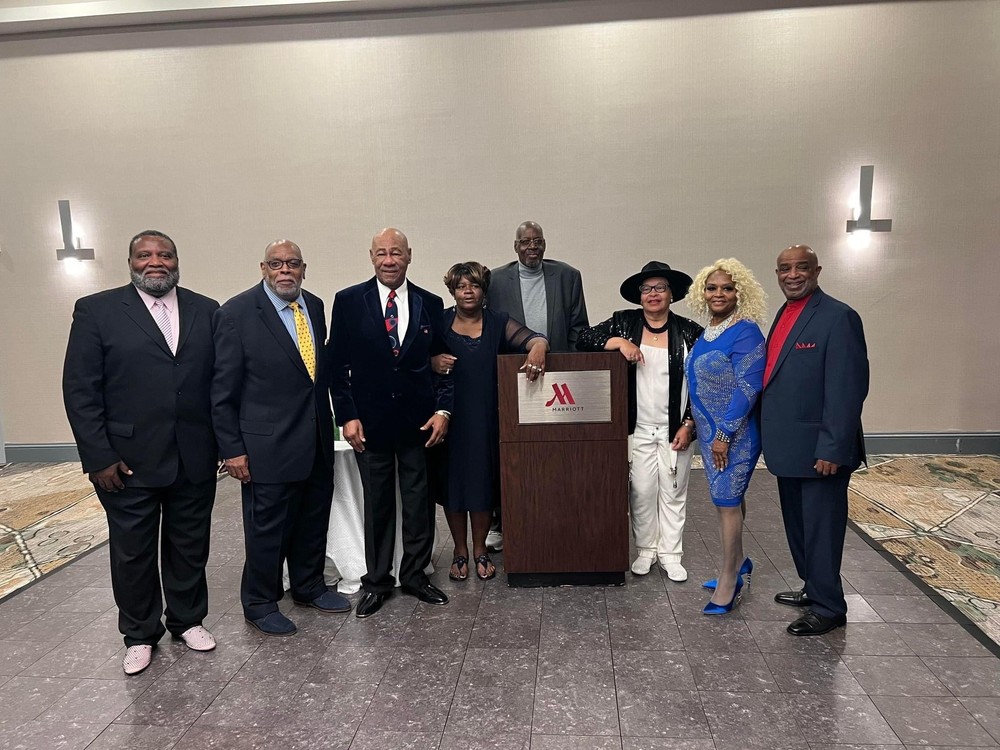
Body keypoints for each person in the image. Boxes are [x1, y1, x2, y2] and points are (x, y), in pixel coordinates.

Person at [62, 230, 219, 675]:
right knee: (132, 553)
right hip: (126, 461)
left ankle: (188, 620)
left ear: (176, 260)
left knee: (190, 546)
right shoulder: (97, 310)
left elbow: (220, 383)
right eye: (145, 255)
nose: (156, 262)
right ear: (130, 262)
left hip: (193, 455)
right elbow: (80, 389)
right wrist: (98, 456)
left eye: (165, 255)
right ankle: (139, 634)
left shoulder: (207, 310)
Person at [212, 239, 350, 637]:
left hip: (316, 440)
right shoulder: (236, 313)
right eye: (276, 264)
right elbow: (222, 390)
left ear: (304, 268)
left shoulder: (315, 306)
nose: (284, 270)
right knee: (267, 530)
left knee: (312, 520)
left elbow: (314, 377)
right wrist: (231, 449)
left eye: (292, 263)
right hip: (265, 446)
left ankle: (308, 586)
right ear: (263, 268)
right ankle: (259, 602)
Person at [330, 228, 453, 619]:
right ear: (371, 257)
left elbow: (444, 364)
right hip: (370, 426)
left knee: (419, 504)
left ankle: (415, 576)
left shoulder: (430, 303)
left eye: (396, 253)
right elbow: (336, 366)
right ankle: (377, 582)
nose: (389, 260)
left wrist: (443, 411)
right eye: (381, 253)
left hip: (419, 424)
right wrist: (347, 416)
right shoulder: (349, 301)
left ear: (409, 255)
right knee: (378, 505)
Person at [762, 244, 869, 636]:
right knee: (799, 526)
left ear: (817, 271)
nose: (792, 275)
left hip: (820, 451)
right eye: (784, 268)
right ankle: (813, 586)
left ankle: (829, 607)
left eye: (801, 267)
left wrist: (832, 447)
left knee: (822, 530)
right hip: (789, 447)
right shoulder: (785, 312)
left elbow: (847, 388)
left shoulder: (839, 317)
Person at [577, 261, 702, 582]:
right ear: (639, 295)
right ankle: (646, 549)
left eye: (660, 288)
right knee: (642, 492)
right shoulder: (624, 322)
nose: (653, 294)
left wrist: (690, 424)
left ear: (672, 294)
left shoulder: (689, 331)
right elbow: (583, 338)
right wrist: (619, 343)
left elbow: (704, 384)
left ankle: (671, 554)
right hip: (637, 429)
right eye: (647, 289)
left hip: (676, 429)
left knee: (673, 491)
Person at [428, 262, 548, 582]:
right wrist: (431, 361)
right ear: (452, 291)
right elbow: (413, 360)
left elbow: (534, 339)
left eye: (474, 285)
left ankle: (480, 549)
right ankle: (459, 551)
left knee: (481, 484)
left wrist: (538, 347)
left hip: (486, 418)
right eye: (461, 286)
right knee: (453, 486)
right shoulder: (439, 322)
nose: (468, 291)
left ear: (483, 290)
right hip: (448, 418)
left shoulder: (498, 322)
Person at [486, 220, 590, 550]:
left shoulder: (568, 276)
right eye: (525, 242)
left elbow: (578, 329)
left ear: (544, 244)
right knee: (510, 452)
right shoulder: (495, 280)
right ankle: (502, 521)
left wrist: (573, 371)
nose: (532, 247)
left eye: (538, 241)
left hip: (557, 378)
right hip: (510, 377)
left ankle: (554, 516)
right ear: (515, 246)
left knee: (554, 451)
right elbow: (488, 327)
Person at [685, 258, 767, 615]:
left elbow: (748, 387)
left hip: (735, 434)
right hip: (710, 435)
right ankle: (740, 560)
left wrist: (724, 434)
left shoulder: (746, 330)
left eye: (727, 288)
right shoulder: (710, 331)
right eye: (712, 287)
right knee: (729, 499)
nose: (719, 294)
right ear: (702, 292)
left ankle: (729, 580)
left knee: (726, 502)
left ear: (740, 292)